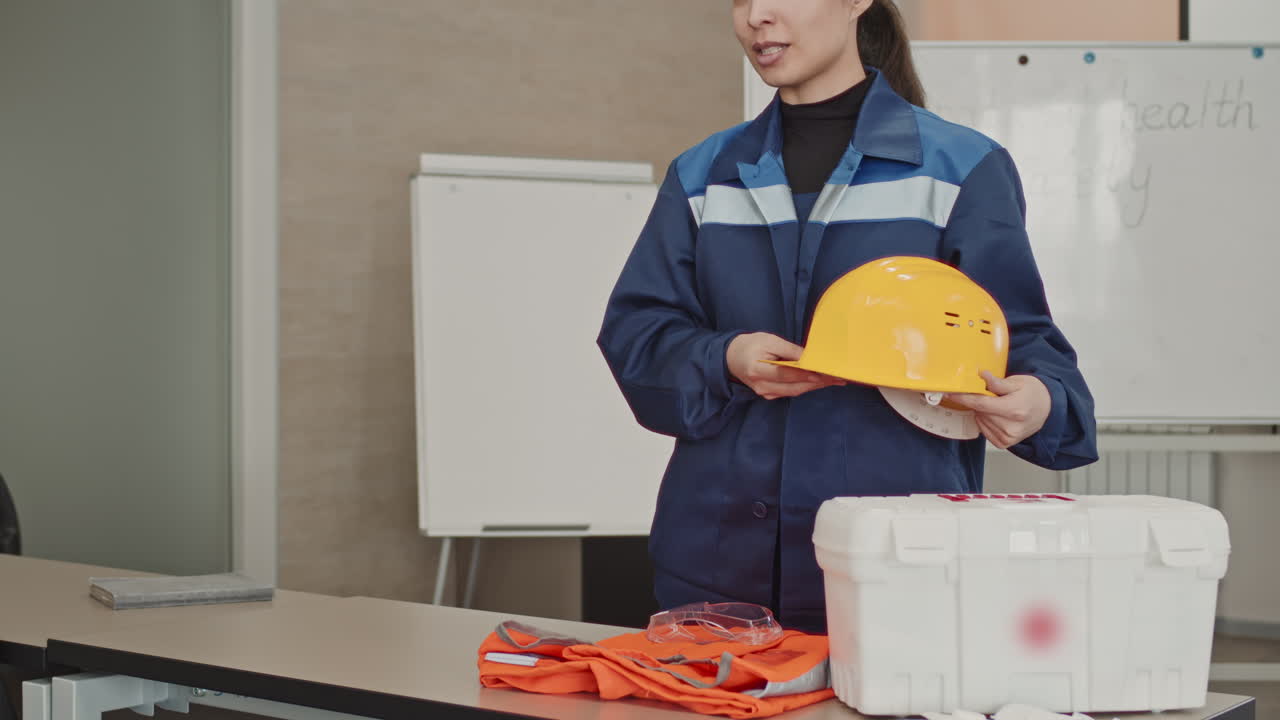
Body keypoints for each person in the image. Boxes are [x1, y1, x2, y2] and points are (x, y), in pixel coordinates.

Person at [597, 0, 1098, 633]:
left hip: (895, 567)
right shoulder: (703, 177)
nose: (756, 17)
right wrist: (725, 359)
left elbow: (1024, 348)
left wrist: (1040, 402)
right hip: (718, 571)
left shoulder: (959, 168)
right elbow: (638, 333)